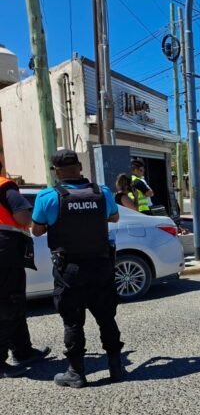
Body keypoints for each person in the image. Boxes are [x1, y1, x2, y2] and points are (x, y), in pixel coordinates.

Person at [31, 150, 124, 388]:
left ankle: (76, 372)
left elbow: (37, 231)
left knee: (73, 322)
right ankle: (116, 368)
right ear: (80, 167)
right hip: (101, 265)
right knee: (106, 318)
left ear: (56, 171)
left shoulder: (48, 196)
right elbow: (114, 218)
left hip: (69, 270)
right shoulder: (101, 192)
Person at [0, 166, 50, 378]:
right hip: (5, 255)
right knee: (9, 305)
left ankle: (23, 351)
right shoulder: (5, 186)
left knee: (14, 303)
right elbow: (23, 218)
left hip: (6, 256)